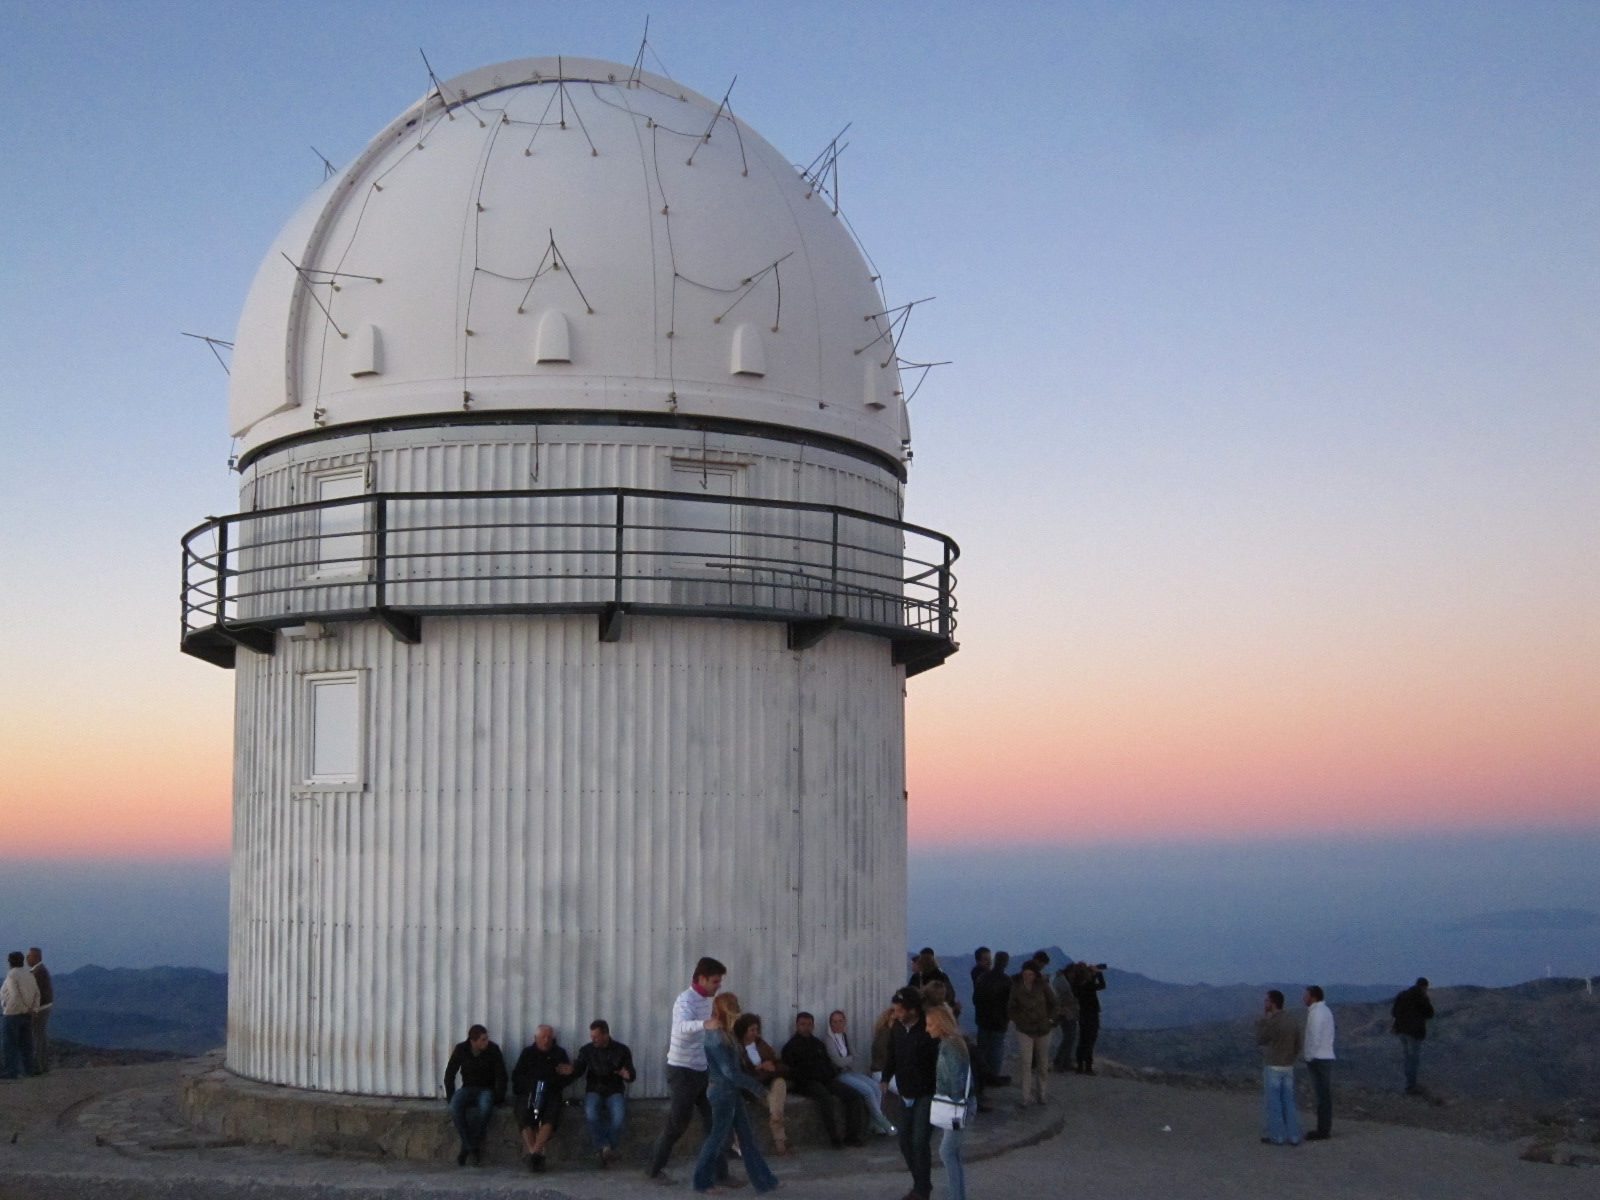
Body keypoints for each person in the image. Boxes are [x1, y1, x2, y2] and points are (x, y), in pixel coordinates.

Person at [647, 956, 732, 1185]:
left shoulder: (709, 1002)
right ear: (702, 979)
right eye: (715, 981)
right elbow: (683, 1028)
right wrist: (705, 1024)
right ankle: (654, 1170)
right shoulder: (685, 1000)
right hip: (682, 1071)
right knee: (677, 1124)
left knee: (715, 1123)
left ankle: (722, 1175)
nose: (718, 986)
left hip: (703, 1069)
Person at [693, 993, 778, 1194]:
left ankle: (765, 1182)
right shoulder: (716, 1037)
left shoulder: (725, 1033)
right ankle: (702, 1182)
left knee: (747, 1138)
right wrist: (759, 1090)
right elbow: (730, 1072)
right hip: (722, 1092)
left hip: (729, 1091)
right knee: (716, 1139)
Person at [881, 985, 940, 1200]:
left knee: (919, 1140)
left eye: (900, 1009)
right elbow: (892, 1053)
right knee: (904, 1139)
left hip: (927, 1091)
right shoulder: (897, 1028)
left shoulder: (929, 1028)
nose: (895, 1013)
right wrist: (886, 1077)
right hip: (906, 1091)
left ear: (913, 1010)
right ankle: (921, 1183)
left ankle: (921, 1190)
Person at [781, 1011, 867, 1147]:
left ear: (813, 1026)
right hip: (806, 1083)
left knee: (854, 1095)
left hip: (825, 1080)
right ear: (796, 1025)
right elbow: (795, 1072)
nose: (806, 1027)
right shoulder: (790, 1047)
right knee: (825, 1098)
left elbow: (828, 1064)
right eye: (803, 1024)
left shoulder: (818, 1044)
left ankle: (852, 1137)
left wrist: (828, 1074)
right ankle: (834, 1139)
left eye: (809, 1024)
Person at [569, 1019, 635, 1167]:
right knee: (591, 1113)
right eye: (592, 1036)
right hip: (594, 1090)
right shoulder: (587, 1050)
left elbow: (632, 1074)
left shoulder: (622, 1050)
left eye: (596, 1037)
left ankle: (604, 1151)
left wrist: (627, 1074)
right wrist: (570, 1071)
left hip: (614, 1090)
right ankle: (606, 1148)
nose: (593, 1040)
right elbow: (579, 1069)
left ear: (606, 1035)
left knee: (619, 1117)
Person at [926, 1003, 976, 1200]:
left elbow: (957, 1080)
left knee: (947, 1152)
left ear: (940, 1024)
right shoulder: (953, 1041)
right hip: (962, 1105)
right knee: (952, 1153)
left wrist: (950, 1102)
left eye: (930, 1024)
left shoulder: (949, 1046)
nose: (927, 1028)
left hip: (957, 1107)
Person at [442, 1024, 508, 1166]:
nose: (486, 1042)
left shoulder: (493, 1050)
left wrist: (499, 1097)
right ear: (473, 1041)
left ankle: (467, 1147)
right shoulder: (461, 1049)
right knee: (455, 1107)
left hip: (486, 1090)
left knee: (485, 1109)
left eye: (486, 1039)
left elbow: (501, 1075)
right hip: (467, 1088)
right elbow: (450, 1073)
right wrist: (450, 1095)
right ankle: (472, 1146)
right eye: (482, 1040)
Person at [823, 1010, 895, 1135]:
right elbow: (839, 1062)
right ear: (830, 1024)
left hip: (850, 1071)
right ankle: (882, 1120)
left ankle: (873, 1124)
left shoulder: (845, 1036)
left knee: (876, 1087)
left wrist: (848, 1059)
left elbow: (853, 1055)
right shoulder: (828, 1039)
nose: (838, 1024)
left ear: (844, 1022)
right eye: (834, 1022)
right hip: (839, 1074)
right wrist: (850, 1058)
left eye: (840, 1021)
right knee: (866, 1090)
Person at [512, 1024, 573, 1172]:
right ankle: (536, 1155)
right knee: (522, 1112)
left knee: (551, 1114)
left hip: (551, 1092)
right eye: (543, 1037)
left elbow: (566, 1078)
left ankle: (533, 1153)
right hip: (530, 1092)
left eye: (549, 1038)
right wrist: (530, 1085)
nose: (546, 1040)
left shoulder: (559, 1053)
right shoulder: (527, 1053)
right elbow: (516, 1076)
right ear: (536, 1038)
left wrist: (564, 1074)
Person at [733, 1012, 790, 1154]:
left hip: (768, 1081)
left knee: (780, 1083)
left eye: (756, 1030)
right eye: (751, 1030)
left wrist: (773, 1067)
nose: (755, 1033)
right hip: (752, 1087)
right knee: (774, 1102)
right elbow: (738, 1073)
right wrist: (757, 1068)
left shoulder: (760, 1044)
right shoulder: (737, 1047)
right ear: (743, 1030)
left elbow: (780, 1064)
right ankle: (780, 1141)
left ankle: (775, 1115)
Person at [1255, 990, 1303, 1146]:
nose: (1265, 1004)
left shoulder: (1273, 1021)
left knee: (1274, 1102)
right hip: (1288, 1066)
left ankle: (1277, 1135)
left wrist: (1262, 1021)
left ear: (1272, 1002)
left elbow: (1260, 1039)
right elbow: (1298, 1044)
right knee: (1288, 1101)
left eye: (1267, 1001)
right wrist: (1291, 1057)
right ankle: (1294, 1135)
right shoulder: (1292, 1020)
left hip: (1274, 1065)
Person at [1006, 960, 1058, 1106]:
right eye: (1025, 973)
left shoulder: (1044, 987)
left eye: (1030, 974)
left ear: (1035, 975)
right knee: (1026, 1062)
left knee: (1042, 1063)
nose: (1028, 976)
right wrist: (1018, 1021)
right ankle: (1025, 1096)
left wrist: (1050, 1021)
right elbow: (1011, 1007)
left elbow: (1054, 1004)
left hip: (1043, 1029)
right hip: (1025, 1029)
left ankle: (1041, 1094)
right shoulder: (1017, 987)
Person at [971, 950, 1012, 1082]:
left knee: (982, 1049)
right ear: (1006, 963)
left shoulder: (982, 978)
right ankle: (993, 1077)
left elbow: (975, 999)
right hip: (999, 1021)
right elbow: (1010, 1003)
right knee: (996, 1050)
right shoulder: (1007, 981)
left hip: (983, 1019)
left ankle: (982, 1076)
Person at [1302, 985, 1336, 1140]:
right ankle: (1325, 1128)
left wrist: (1308, 1056)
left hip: (1318, 1057)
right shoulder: (1326, 1011)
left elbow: (1314, 1037)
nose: (1304, 998)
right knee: (1325, 1094)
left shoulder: (1316, 1013)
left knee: (1321, 1095)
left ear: (1313, 997)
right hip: (1326, 1055)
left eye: (1306, 995)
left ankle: (1322, 1130)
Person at [1391, 977, 1435, 1095]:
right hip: (1414, 1033)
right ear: (1424, 987)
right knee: (1413, 1059)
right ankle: (1411, 1086)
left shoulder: (1403, 995)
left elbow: (1394, 1012)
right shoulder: (1421, 998)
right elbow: (1430, 1013)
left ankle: (1408, 1084)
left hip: (1401, 1031)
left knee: (1407, 1058)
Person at [1, 952, 40, 1079]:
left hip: (13, 1013)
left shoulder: (12, 975)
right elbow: (37, 993)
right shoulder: (29, 974)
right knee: (26, 1043)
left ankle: (11, 1071)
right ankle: (29, 1069)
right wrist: (34, 1009)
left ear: (10, 962)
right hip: (27, 1014)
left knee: (10, 1043)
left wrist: (23, 1009)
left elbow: (15, 995)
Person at [1068, 962, 1107, 1074]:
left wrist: (1092, 974)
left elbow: (1088, 984)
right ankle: (1088, 1067)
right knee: (1090, 1040)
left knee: (1083, 1039)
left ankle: (1080, 1065)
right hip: (1092, 1014)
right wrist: (1098, 973)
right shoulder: (1088, 985)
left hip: (1082, 1014)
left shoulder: (1075, 984)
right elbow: (1102, 985)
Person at [26, 949, 51, 1075]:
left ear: (36, 957)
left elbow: (36, 993)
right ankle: (43, 1065)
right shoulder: (40, 970)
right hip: (43, 1007)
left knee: (37, 1037)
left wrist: (31, 1008)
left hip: (40, 1009)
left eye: (29, 956)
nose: (26, 958)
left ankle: (38, 1066)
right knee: (40, 1036)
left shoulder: (38, 972)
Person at [1050, 964, 1079, 1073]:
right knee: (1069, 1037)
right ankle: (1059, 1062)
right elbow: (1067, 997)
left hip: (1066, 1010)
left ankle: (1065, 1061)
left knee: (1070, 1037)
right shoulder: (1063, 982)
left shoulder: (1060, 979)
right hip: (1066, 1011)